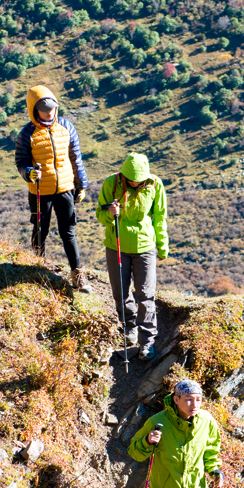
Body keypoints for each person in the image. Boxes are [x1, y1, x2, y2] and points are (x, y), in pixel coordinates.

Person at [13, 84, 90, 293]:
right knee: (40, 230)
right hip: (40, 191)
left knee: (69, 232)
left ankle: (77, 274)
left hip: (65, 188)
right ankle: (38, 268)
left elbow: (76, 159)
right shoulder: (27, 134)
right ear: (33, 109)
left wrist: (81, 186)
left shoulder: (66, 127)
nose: (50, 112)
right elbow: (21, 161)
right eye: (45, 108)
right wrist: (29, 172)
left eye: (53, 107)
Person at [95, 152, 168, 359]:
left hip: (145, 247)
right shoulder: (112, 183)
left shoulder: (155, 184)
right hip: (116, 246)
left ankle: (147, 342)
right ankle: (129, 328)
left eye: (139, 178)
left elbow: (160, 217)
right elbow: (99, 214)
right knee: (120, 291)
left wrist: (162, 247)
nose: (136, 181)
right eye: (132, 178)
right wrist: (110, 215)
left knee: (146, 295)